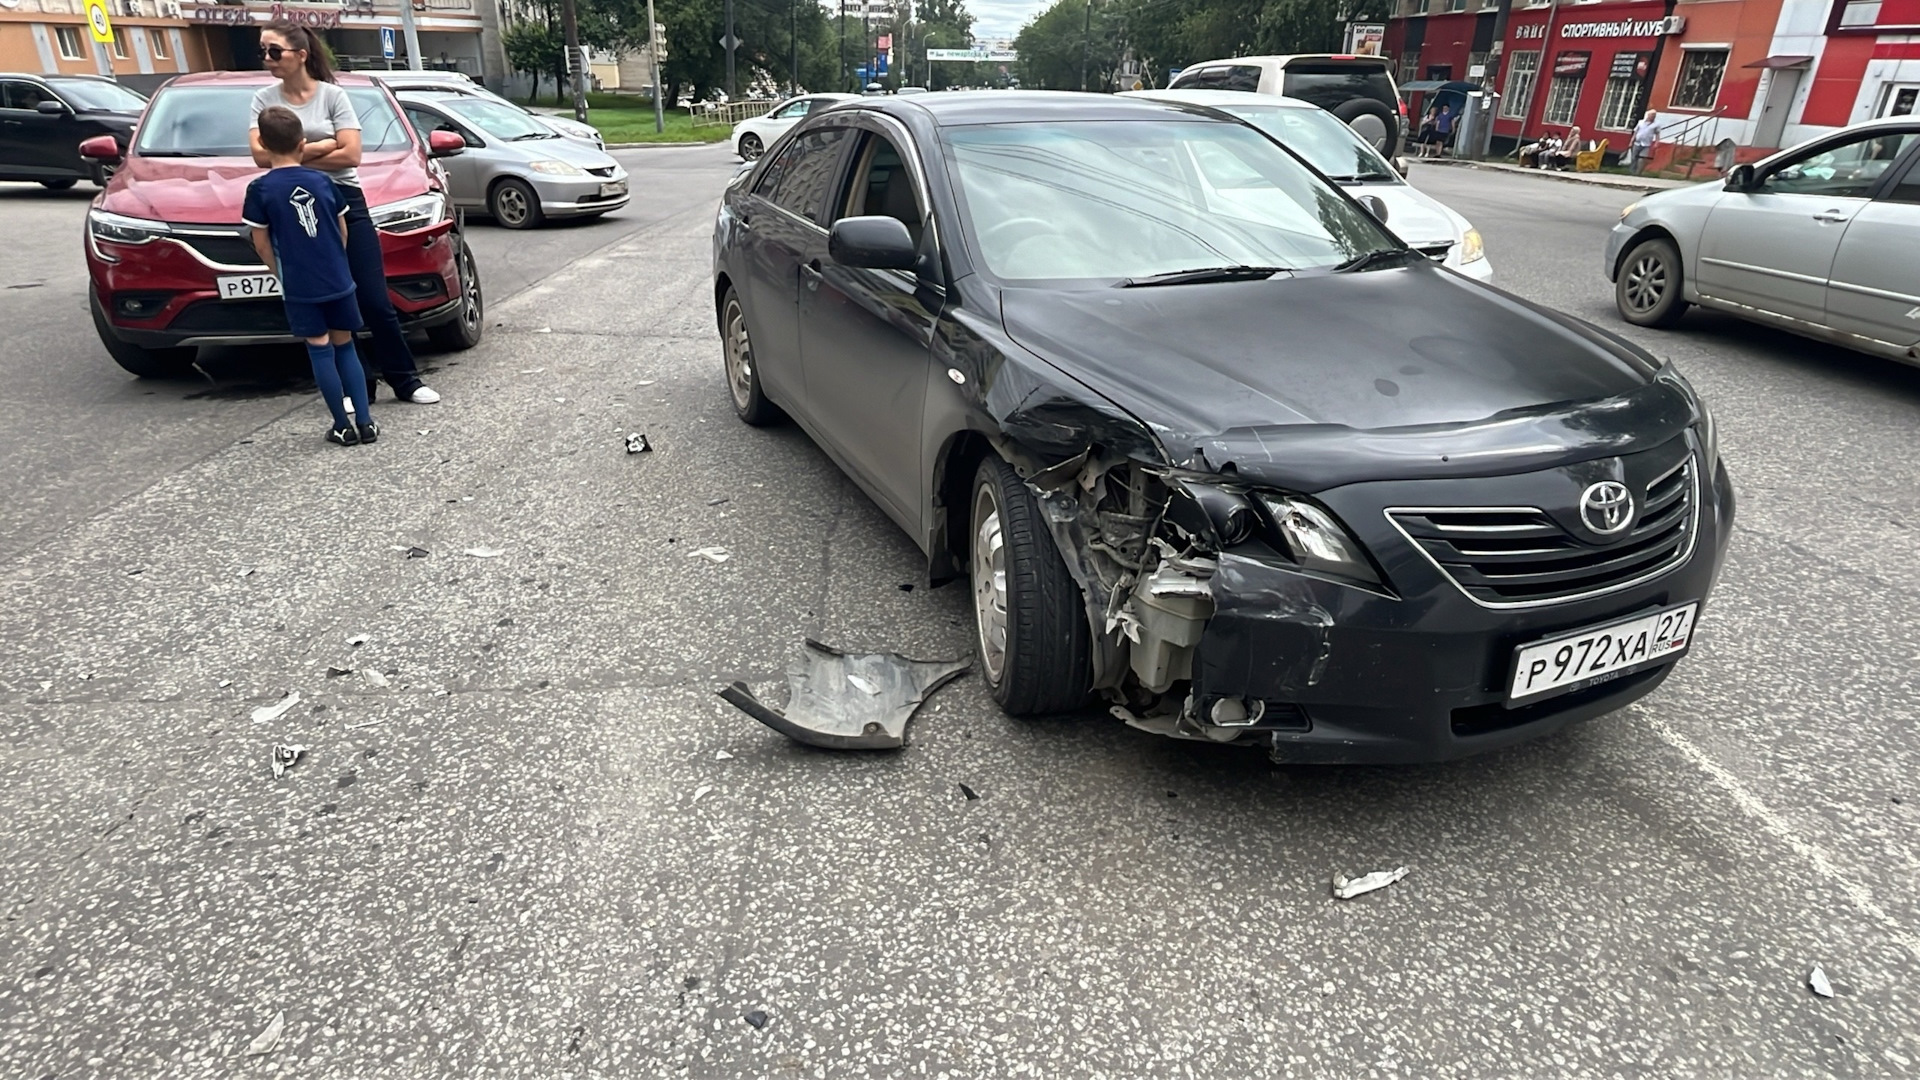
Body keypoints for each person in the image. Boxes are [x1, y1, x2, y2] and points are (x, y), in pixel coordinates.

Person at [248, 21, 440, 406]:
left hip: (343, 197)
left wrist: (292, 155)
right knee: (333, 299)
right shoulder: (263, 100)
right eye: (263, 51)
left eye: (274, 51)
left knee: (373, 298)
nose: (267, 58)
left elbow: (351, 154)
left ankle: (405, 380)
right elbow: (260, 157)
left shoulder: (333, 96)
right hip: (295, 206)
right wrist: (323, 146)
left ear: (301, 55)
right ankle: (359, 388)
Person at [244, 106, 376, 447]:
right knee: (345, 344)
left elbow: (261, 243)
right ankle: (366, 422)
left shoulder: (260, 189)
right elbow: (343, 229)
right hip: (337, 277)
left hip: (300, 284)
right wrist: (336, 263)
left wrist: (280, 274)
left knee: (319, 349)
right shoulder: (324, 181)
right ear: (302, 143)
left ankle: (342, 426)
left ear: (262, 144)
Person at [1628, 110, 1660, 175]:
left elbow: (1657, 134)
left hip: (1646, 144)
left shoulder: (1656, 124)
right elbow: (1635, 132)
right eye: (1652, 115)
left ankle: (1638, 172)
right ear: (1648, 115)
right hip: (1637, 143)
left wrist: (1657, 142)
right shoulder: (1641, 122)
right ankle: (1632, 171)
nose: (1653, 117)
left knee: (1642, 158)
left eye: (1654, 115)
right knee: (1634, 158)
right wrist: (1631, 141)